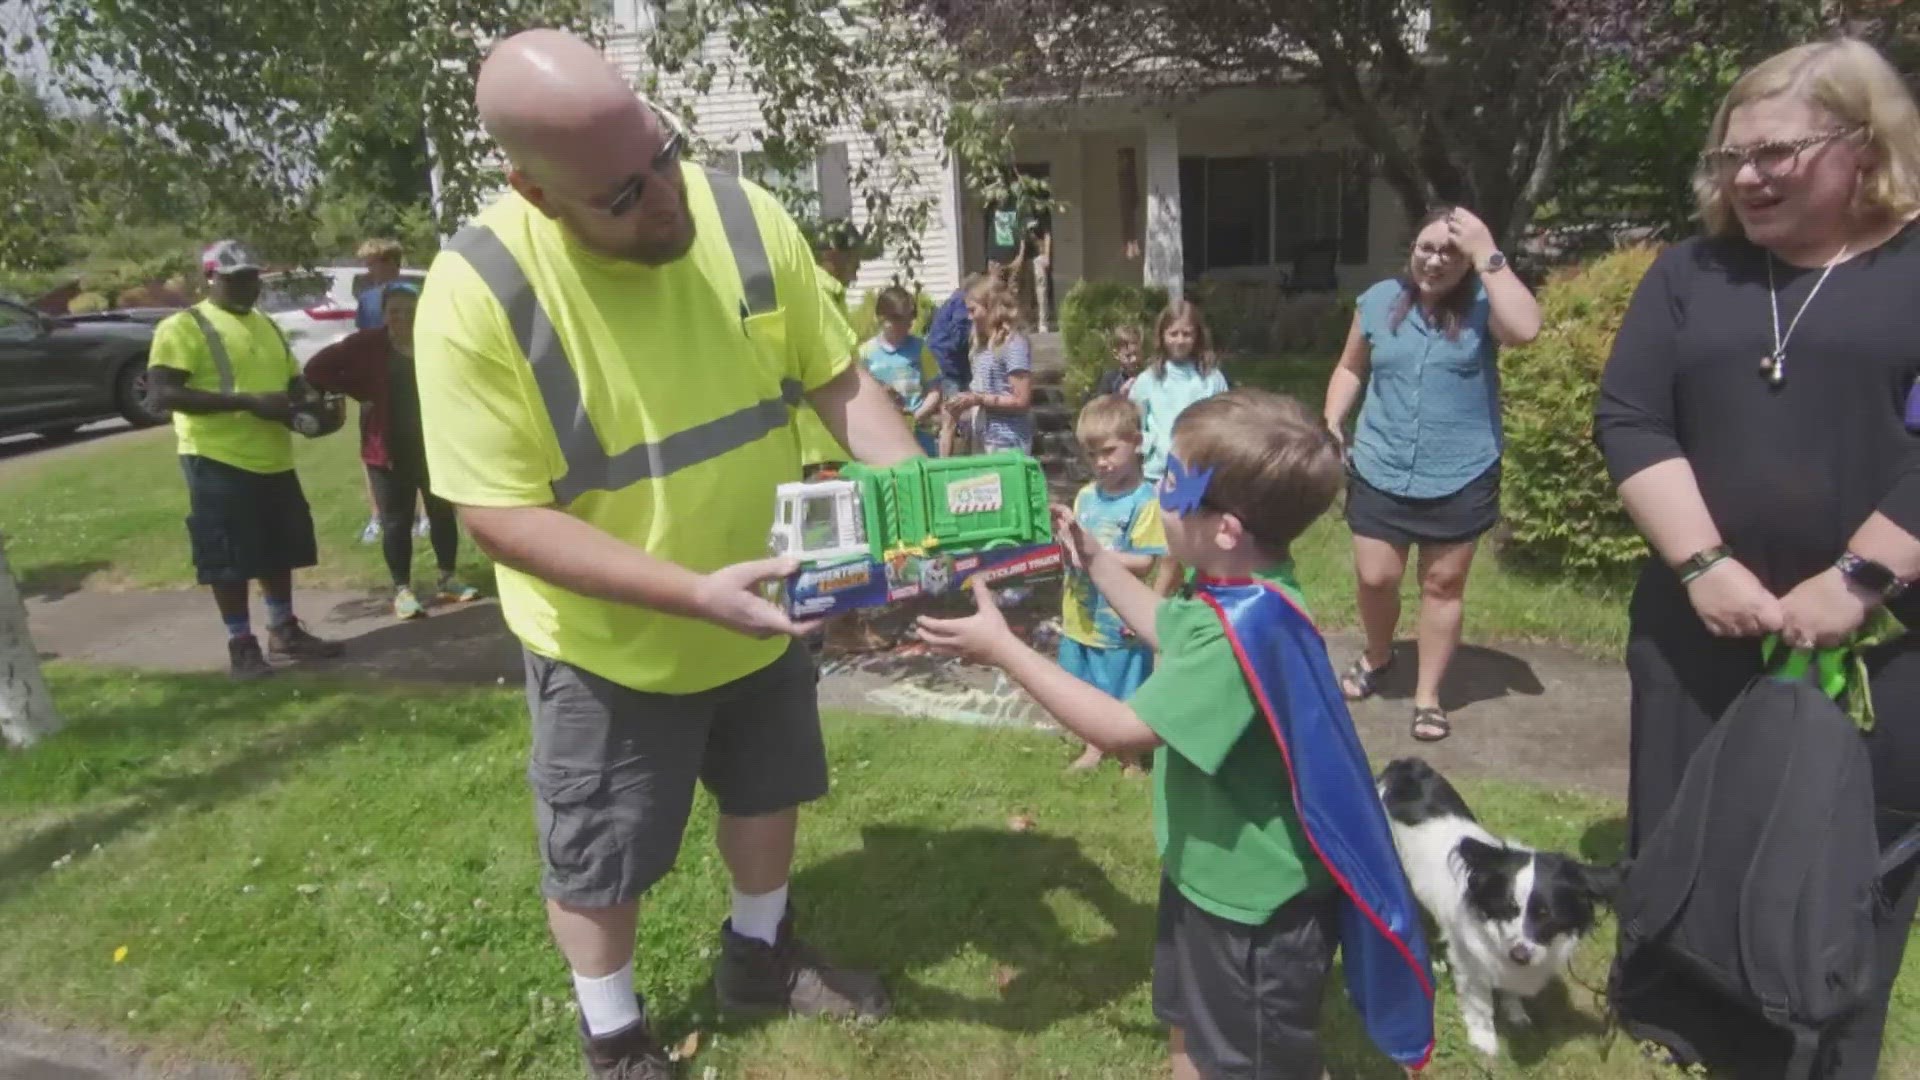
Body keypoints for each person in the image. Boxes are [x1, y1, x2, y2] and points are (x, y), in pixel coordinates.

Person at [412, 30, 923, 1079]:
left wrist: (926, 508)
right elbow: (501, 516)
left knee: (767, 790)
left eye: (665, 153)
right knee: (603, 856)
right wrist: (692, 593)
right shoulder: (476, 294)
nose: (663, 201)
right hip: (613, 646)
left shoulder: (740, 213)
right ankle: (616, 1039)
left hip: (766, 602)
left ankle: (759, 954)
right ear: (534, 188)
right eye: (619, 195)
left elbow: (837, 381)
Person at [917, 388, 1435, 1080]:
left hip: (1255, 912)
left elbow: (1121, 727)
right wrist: (1096, 559)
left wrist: (1005, 649)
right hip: (1205, 879)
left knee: (1249, 1064)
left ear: (1223, 528)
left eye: (1173, 480)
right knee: (1190, 1030)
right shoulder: (1236, 589)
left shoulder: (1240, 633)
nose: (1159, 493)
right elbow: (1164, 626)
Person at [1593, 38, 1920, 1079]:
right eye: (1731, 156)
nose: (1746, 177)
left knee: (1836, 905)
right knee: (1699, 887)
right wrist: (1703, 567)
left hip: (1879, 654)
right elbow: (1633, 417)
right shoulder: (1692, 272)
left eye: (1777, 152)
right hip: (1703, 643)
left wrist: (1860, 580)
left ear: (1865, 146)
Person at [1322, 206, 1541, 743]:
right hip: (1380, 462)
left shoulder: (1486, 304)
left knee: (1442, 585)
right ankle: (1378, 656)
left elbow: (1527, 331)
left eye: (1449, 252)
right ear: (1410, 249)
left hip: (1461, 469)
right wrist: (1331, 419)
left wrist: (1487, 249)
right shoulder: (1376, 301)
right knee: (1377, 578)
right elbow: (1352, 365)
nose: (1435, 260)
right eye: (1426, 248)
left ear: (1466, 261)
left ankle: (1427, 697)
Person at [144, 240, 345, 680]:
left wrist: (312, 409)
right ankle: (241, 644)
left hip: (272, 457)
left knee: (278, 548)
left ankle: (284, 630)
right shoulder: (184, 327)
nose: (246, 287)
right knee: (230, 557)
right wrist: (247, 402)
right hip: (217, 459)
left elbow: (292, 384)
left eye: (251, 277)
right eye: (235, 279)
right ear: (210, 278)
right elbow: (162, 394)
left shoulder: (266, 325)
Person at [304, 282, 480, 619]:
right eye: (395, 311)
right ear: (384, 314)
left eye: (410, 310)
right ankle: (402, 590)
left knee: (442, 513)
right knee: (396, 522)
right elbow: (317, 369)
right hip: (386, 447)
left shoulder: (434, 342)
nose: (403, 317)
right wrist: (356, 390)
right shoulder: (368, 345)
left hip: (434, 445)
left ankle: (447, 579)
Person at [1059, 394, 1165, 772]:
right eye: (1091, 455)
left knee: (1124, 682)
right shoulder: (1086, 496)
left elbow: (1143, 561)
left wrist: (1092, 555)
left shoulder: (1144, 501)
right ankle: (1094, 745)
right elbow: (1072, 539)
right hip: (1080, 610)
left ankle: (1130, 754)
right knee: (1084, 681)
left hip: (1118, 616)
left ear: (1136, 442)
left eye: (1108, 451)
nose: (1100, 463)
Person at [351, 238, 428, 546]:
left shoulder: (416, 294)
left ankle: (424, 516)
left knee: (419, 446)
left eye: (374, 264)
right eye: (367, 265)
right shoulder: (368, 300)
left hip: (411, 379)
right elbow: (362, 341)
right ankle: (378, 516)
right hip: (375, 383)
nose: (370, 271)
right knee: (373, 450)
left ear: (392, 263)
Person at [1128, 299, 1227, 483]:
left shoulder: (1212, 379)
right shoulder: (1148, 380)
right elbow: (1135, 424)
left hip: (1199, 472)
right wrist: (1152, 447)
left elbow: (1224, 423)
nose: (1180, 341)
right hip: (1157, 474)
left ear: (1197, 336)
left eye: (1186, 334)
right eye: (1173, 334)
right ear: (1162, 336)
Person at [945, 277, 1033, 455]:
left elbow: (1021, 400)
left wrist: (979, 399)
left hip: (1008, 441)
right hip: (984, 438)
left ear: (991, 308)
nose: (969, 317)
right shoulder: (982, 346)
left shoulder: (1013, 344)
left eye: (973, 310)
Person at [860, 285, 943, 457]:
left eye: (909, 320)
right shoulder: (866, 353)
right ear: (881, 318)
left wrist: (916, 416)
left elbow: (935, 391)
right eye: (897, 320)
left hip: (918, 433)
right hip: (882, 434)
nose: (904, 327)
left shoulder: (920, 348)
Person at [924, 273, 978, 457]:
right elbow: (959, 337)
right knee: (950, 421)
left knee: (956, 419)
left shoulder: (952, 302)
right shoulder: (962, 304)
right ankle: (946, 464)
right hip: (949, 366)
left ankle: (957, 457)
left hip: (947, 363)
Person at [1092, 324, 1144, 399]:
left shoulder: (1148, 376)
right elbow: (1101, 407)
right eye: (1128, 356)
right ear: (1116, 354)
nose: (1134, 359)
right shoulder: (1110, 380)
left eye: (1136, 353)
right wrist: (1120, 395)